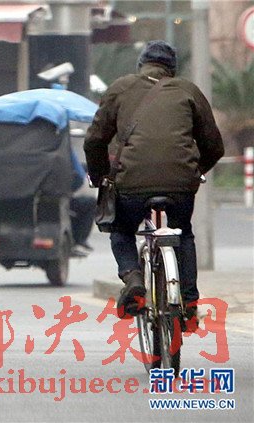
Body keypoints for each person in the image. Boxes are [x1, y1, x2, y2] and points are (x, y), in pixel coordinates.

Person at [83, 40, 224, 327]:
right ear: (172, 69)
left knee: (122, 230)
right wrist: (195, 172)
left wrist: (100, 177)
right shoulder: (188, 91)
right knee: (183, 233)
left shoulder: (120, 88)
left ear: (141, 65)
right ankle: (189, 304)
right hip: (180, 184)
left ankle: (133, 278)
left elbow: (94, 140)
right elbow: (214, 146)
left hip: (131, 184)